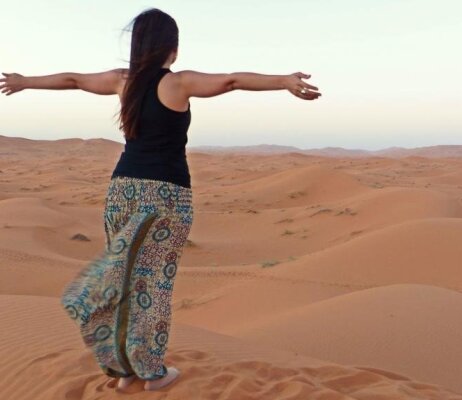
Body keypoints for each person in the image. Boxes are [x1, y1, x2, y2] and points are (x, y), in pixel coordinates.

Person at [0, 7, 321, 392]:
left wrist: (24, 81)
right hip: (166, 195)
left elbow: (73, 79)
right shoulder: (179, 83)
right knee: (152, 284)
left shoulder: (123, 81)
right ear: (172, 46)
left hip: (121, 191)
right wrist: (283, 80)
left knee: (124, 278)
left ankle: (124, 372)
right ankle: (151, 371)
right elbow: (233, 80)